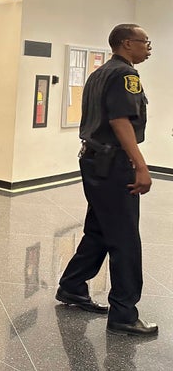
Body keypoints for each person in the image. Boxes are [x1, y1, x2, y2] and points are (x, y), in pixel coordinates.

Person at [56, 23, 157, 337]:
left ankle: (72, 285)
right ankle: (124, 313)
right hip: (113, 164)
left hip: (94, 160)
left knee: (100, 229)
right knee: (125, 239)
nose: (148, 47)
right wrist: (140, 165)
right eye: (145, 42)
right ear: (128, 43)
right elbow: (119, 120)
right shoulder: (126, 75)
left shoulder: (99, 73)